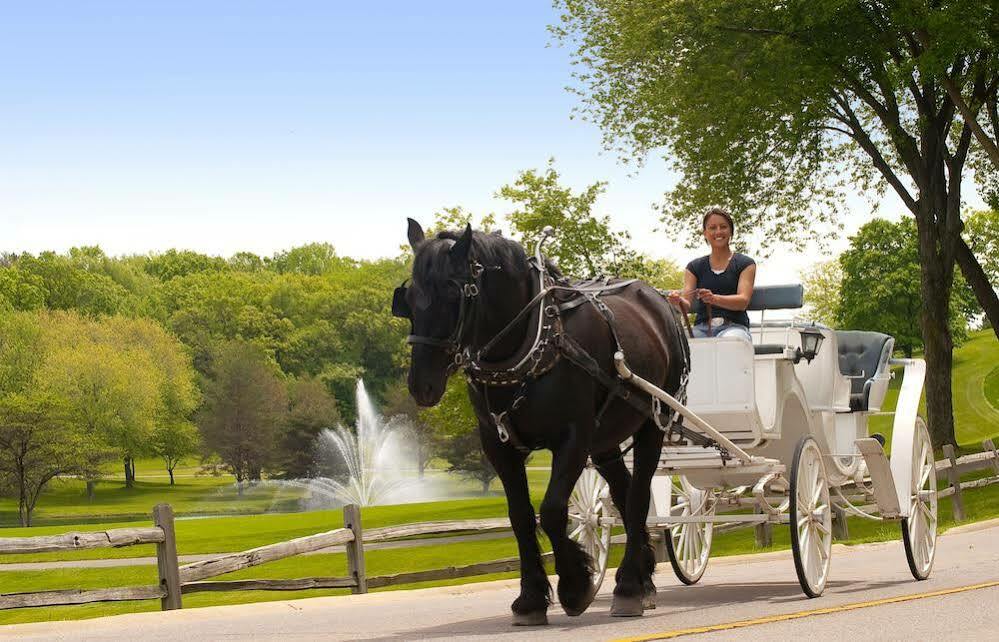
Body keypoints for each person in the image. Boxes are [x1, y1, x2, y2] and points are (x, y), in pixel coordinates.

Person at [668, 207, 756, 341]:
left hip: (734, 327)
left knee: (732, 341)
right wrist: (678, 301)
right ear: (705, 233)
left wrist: (713, 298)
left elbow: (743, 301)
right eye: (713, 228)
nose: (718, 231)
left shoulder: (746, 263)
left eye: (723, 227)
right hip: (701, 329)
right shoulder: (694, 267)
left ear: (731, 231)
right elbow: (686, 305)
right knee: (679, 343)